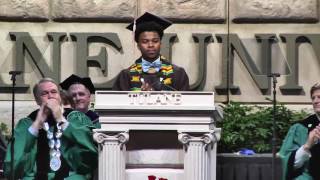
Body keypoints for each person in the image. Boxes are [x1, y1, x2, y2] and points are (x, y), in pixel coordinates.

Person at [4, 78, 98, 180]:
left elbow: (90, 155)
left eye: (54, 92)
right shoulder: (27, 123)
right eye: (44, 93)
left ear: (59, 97)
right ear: (37, 100)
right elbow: (12, 166)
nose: (50, 96)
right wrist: (36, 125)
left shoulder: (75, 118)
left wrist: (61, 120)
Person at [112, 12, 189, 91]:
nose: (150, 45)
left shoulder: (178, 74)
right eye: (145, 41)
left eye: (155, 41)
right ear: (138, 45)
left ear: (160, 43)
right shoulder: (126, 76)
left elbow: (187, 102)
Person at [279, 83, 320, 179]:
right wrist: (307, 146)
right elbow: (289, 163)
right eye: (313, 98)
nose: (315, 101)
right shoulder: (300, 128)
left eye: (319, 97)